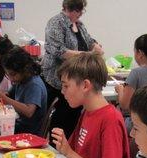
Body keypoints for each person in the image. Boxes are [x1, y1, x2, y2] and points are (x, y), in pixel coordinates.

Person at [51, 52, 131, 158]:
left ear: (85, 86)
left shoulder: (110, 120)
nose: (62, 91)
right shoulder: (87, 112)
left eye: (66, 86)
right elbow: (72, 152)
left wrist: (69, 153)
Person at [41, 0, 103, 138]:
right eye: (79, 11)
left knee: (73, 118)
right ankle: (56, 148)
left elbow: (88, 40)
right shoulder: (56, 22)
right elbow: (59, 51)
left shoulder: (79, 25)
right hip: (57, 81)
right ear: (72, 9)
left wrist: (95, 46)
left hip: (76, 80)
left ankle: (70, 147)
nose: (80, 14)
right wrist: (87, 55)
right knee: (60, 119)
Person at [0, 46, 47, 135]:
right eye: (8, 75)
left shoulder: (34, 84)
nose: (11, 79)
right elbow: (8, 95)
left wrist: (1, 97)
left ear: (25, 69)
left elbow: (29, 111)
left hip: (28, 132)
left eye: (13, 74)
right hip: (16, 124)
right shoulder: (21, 79)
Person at [115, 34, 147, 114]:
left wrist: (120, 89)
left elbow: (125, 106)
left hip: (138, 123)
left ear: (140, 53)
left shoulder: (136, 73)